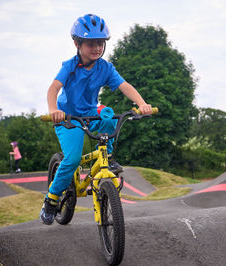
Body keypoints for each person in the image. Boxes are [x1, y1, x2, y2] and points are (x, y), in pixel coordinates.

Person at [40, 14, 152, 225]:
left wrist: (142, 103)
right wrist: (54, 109)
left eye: (100, 43)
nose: (97, 48)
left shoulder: (105, 68)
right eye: (91, 43)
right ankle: (51, 199)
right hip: (68, 119)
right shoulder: (70, 66)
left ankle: (107, 157)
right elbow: (53, 88)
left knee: (110, 116)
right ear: (77, 43)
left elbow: (124, 86)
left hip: (91, 114)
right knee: (72, 160)